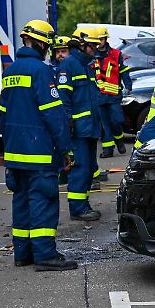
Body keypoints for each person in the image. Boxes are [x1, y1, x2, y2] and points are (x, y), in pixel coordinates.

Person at [0, 20, 77, 271]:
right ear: (42, 43)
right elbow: (54, 116)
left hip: (14, 153)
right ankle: (45, 255)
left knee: (21, 202)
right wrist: (65, 149)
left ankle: (22, 254)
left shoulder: (9, 72)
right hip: (39, 154)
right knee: (43, 201)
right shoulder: (42, 72)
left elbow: (3, 114)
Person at [57, 28, 104, 222]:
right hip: (78, 129)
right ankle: (78, 208)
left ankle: (83, 204)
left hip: (89, 127)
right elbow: (63, 98)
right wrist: (69, 123)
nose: (96, 49)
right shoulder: (70, 65)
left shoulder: (85, 65)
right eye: (93, 45)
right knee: (80, 169)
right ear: (83, 45)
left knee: (88, 169)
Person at [92, 26, 128, 157]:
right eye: (97, 39)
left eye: (101, 39)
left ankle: (119, 140)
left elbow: (123, 70)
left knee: (116, 120)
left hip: (113, 95)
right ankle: (108, 149)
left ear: (105, 39)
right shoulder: (91, 56)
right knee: (104, 125)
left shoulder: (116, 54)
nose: (99, 42)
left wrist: (128, 84)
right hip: (99, 95)